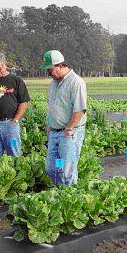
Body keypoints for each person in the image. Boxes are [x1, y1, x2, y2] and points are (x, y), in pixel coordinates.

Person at [40, 50, 87, 186]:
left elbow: (79, 110)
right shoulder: (53, 83)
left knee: (67, 170)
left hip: (69, 134)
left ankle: (69, 197)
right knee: (52, 168)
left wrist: (68, 128)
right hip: (54, 134)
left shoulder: (76, 82)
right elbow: (53, 106)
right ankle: (62, 191)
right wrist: (49, 124)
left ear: (60, 65)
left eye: (50, 69)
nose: (48, 73)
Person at [0, 52, 30, 161]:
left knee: (13, 151)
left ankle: (16, 173)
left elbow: (24, 102)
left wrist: (15, 120)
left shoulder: (16, 81)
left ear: (5, 65)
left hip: (10, 125)